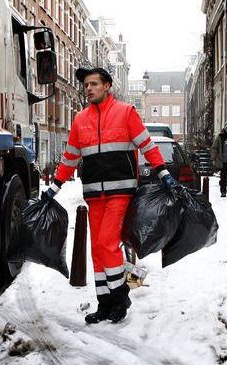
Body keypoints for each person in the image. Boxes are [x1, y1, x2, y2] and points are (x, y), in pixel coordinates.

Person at [42, 67, 177, 323]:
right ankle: (104, 303)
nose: (89, 88)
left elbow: (147, 146)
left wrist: (163, 173)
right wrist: (55, 187)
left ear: (107, 86)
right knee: (97, 251)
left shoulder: (126, 113)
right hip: (94, 195)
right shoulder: (80, 119)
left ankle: (120, 296)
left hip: (121, 192)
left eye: (94, 84)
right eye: (86, 85)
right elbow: (70, 157)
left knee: (106, 244)